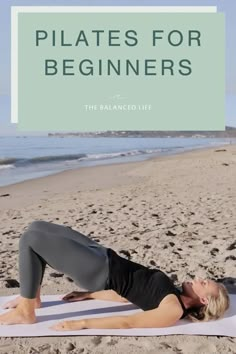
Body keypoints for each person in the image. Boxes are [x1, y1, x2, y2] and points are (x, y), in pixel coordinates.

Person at [0, 220, 230, 331]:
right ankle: (33, 297)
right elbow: (126, 296)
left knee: (31, 241)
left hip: (99, 270)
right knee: (37, 227)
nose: (200, 278)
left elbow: (128, 322)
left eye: (204, 283)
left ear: (204, 300)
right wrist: (89, 295)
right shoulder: (173, 292)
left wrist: (81, 323)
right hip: (105, 256)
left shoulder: (173, 309)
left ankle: (26, 310)